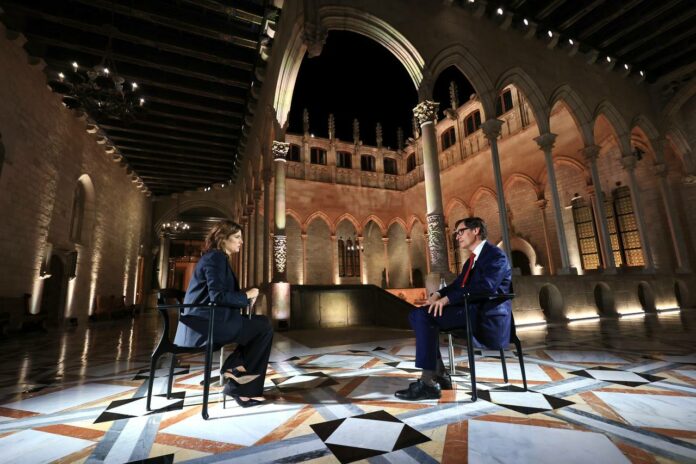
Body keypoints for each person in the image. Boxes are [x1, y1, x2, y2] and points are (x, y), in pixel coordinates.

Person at [395, 217, 512, 400]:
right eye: (456, 233)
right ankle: (438, 375)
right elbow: (458, 285)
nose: (457, 237)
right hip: (469, 309)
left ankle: (430, 382)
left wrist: (447, 300)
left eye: (461, 232)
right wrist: (438, 294)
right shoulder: (471, 260)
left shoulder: (496, 255)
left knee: (423, 316)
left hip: (486, 314)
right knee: (417, 315)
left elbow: (486, 287)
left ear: (476, 230)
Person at [173, 220, 273, 408]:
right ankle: (238, 382)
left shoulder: (216, 258)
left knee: (261, 324)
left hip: (206, 321)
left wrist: (244, 297)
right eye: (237, 237)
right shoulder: (215, 258)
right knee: (264, 327)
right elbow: (217, 296)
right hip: (205, 325)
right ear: (223, 239)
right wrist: (246, 295)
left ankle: (235, 371)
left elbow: (219, 293)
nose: (241, 241)